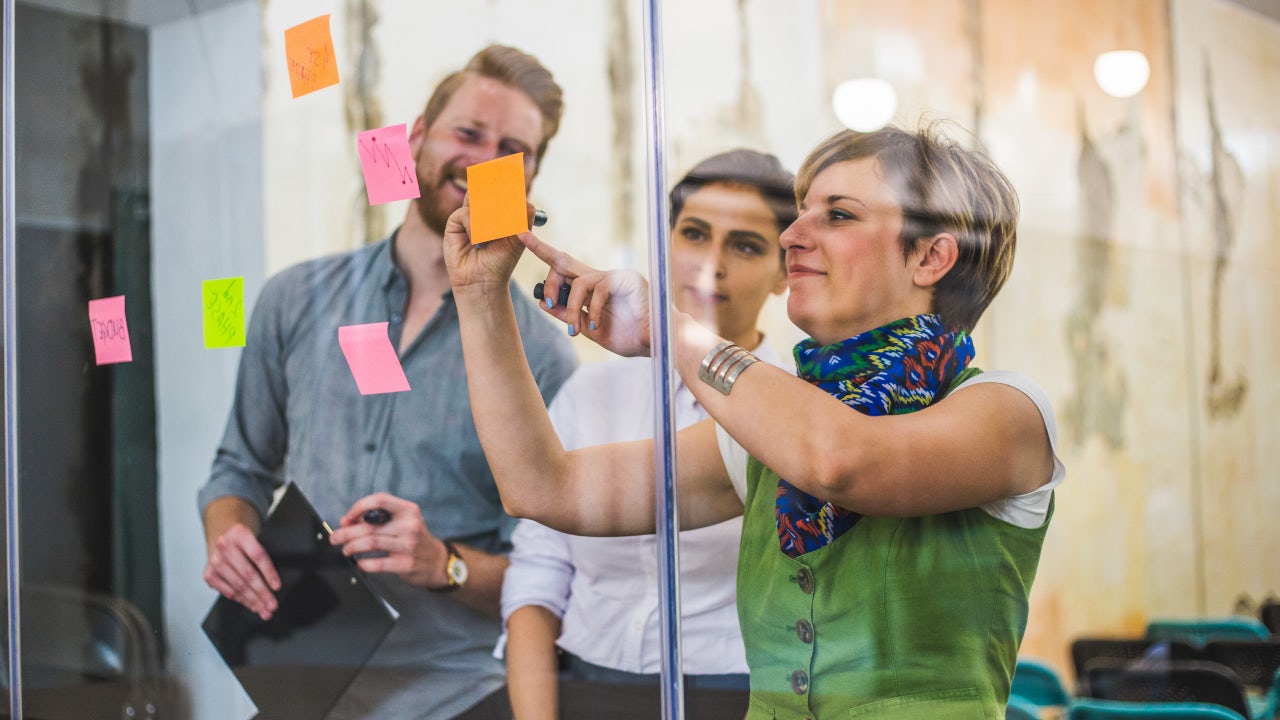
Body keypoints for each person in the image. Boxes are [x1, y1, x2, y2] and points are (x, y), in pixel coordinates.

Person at [442, 122, 1067, 718]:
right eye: (801, 212)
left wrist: (668, 328)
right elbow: (544, 488)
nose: (792, 235)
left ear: (931, 258)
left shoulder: (1010, 411)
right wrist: (480, 297)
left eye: (839, 214)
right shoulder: (766, 429)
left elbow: (839, 461)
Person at [198, 45, 578, 720]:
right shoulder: (295, 298)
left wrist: (445, 563)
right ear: (415, 138)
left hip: (455, 696)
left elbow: (553, 578)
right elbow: (239, 468)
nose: (484, 159)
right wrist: (227, 534)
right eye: (468, 133)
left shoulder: (545, 358)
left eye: (511, 149)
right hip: (294, 682)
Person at [500, 149, 796, 719]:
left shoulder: (796, 405)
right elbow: (539, 573)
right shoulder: (591, 394)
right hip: (582, 686)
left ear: (784, 272)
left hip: (740, 693)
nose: (712, 264)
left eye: (746, 245)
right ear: (665, 242)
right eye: (694, 234)